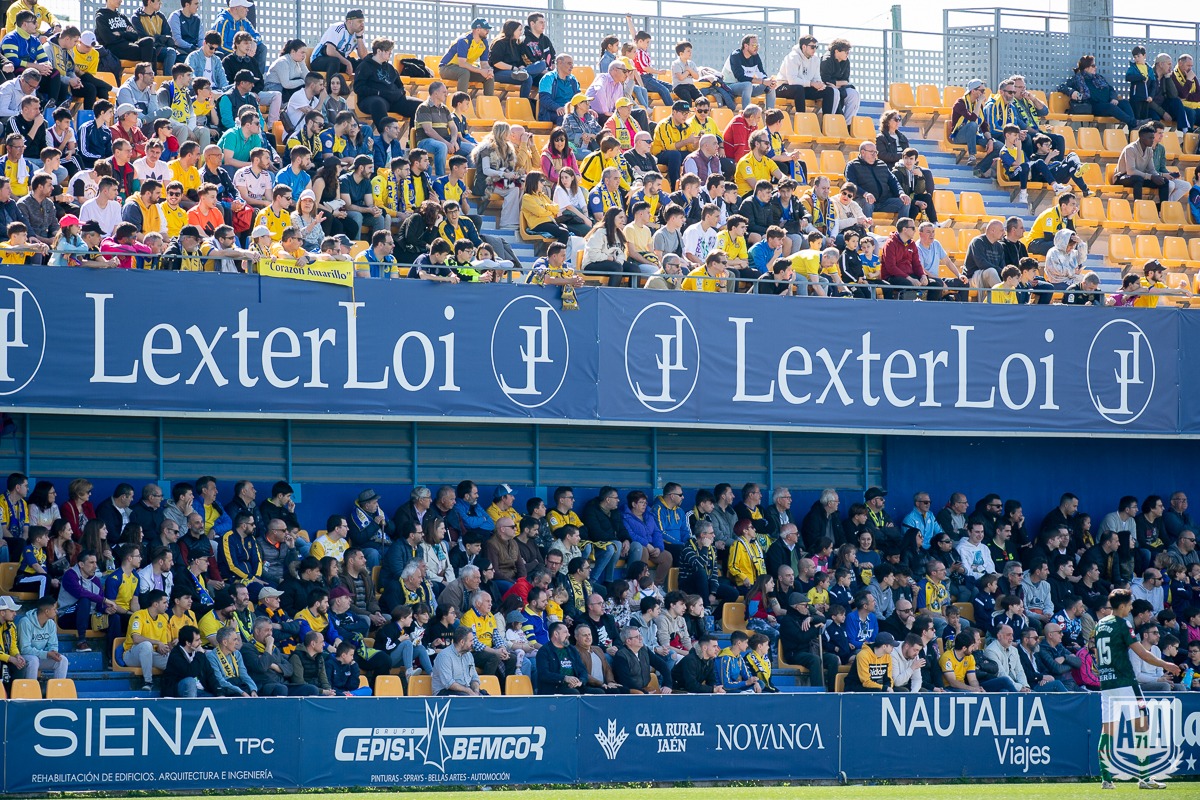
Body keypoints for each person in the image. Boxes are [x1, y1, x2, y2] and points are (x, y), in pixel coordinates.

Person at [1096, 589, 1180, 789]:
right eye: (1130, 605)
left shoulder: (1100, 624)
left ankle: (1106, 779)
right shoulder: (1123, 623)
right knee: (1142, 726)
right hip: (1125, 681)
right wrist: (1166, 664)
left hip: (1107, 684)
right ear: (1123, 605)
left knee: (1107, 730)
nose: (1131, 608)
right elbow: (1142, 653)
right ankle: (1144, 777)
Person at [1058, 54, 1136, 128]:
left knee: (1125, 103)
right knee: (1110, 107)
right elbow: (1062, 86)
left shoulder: (1099, 77)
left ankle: (1132, 127)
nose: (1096, 67)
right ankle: (1134, 123)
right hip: (1094, 106)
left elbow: (1111, 89)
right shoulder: (1077, 79)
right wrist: (1071, 92)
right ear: (1086, 67)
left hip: (1108, 103)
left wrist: (1114, 98)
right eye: (1093, 65)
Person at [121, 588, 171, 690]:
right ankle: (148, 682)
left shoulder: (164, 618)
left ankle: (171, 685)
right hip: (132, 655)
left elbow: (162, 644)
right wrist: (157, 643)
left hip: (150, 655)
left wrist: (163, 648)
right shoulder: (138, 615)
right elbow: (136, 638)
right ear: (155, 604)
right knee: (146, 645)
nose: (167, 605)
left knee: (173, 658)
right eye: (165, 602)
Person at [16, 594, 68, 679]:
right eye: (54, 609)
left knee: (63, 660)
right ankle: (31, 690)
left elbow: (53, 644)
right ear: (46, 611)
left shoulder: (51, 624)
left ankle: (58, 690)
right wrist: (46, 654)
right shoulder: (25, 622)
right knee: (33, 660)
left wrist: (53, 652)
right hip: (24, 657)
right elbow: (24, 649)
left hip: (41, 656)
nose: (56, 611)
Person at [432, 625, 485, 696]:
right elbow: (449, 684)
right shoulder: (444, 656)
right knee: (469, 700)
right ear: (462, 642)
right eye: (471, 641)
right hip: (444, 692)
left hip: (465, 690)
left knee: (487, 699)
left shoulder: (469, 655)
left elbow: (474, 678)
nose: (473, 643)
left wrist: (476, 691)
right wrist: (468, 691)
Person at [206, 625, 257, 697]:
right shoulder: (211, 657)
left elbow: (244, 674)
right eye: (234, 639)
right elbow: (220, 681)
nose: (237, 643)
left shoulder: (237, 653)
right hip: (225, 688)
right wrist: (241, 692)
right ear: (225, 642)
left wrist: (253, 689)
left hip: (238, 685)